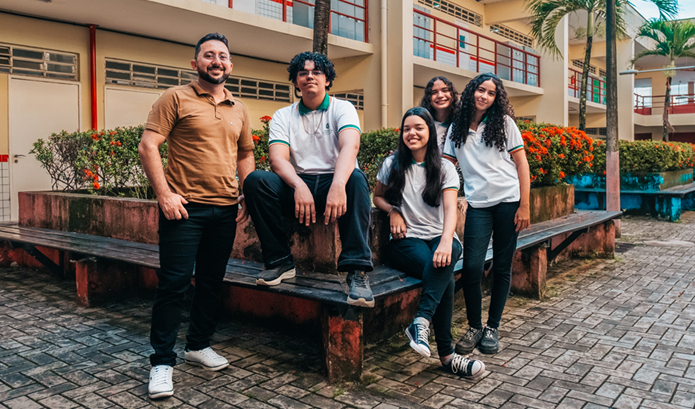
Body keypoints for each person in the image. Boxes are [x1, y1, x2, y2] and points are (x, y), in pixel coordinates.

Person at [138, 33, 255, 399]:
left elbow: (245, 155)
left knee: (210, 282)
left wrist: (248, 194)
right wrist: (164, 194)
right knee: (173, 285)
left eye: (222, 56)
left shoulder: (239, 108)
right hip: (183, 209)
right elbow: (148, 146)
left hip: (225, 210)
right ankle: (162, 362)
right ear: (195, 63)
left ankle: (198, 345)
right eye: (208, 55)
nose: (216, 61)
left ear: (230, 65)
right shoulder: (175, 98)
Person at [243, 51, 375, 307]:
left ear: (328, 79)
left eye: (317, 72)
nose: (310, 76)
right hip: (298, 186)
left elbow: (350, 147)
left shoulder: (343, 108)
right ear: (296, 81)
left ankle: (357, 271)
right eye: (303, 73)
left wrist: (338, 185)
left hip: (334, 183)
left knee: (356, 179)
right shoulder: (283, 115)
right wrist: (299, 186)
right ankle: (280, 262)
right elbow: (278, 159)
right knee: (255, 181)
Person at [373, 107, 485, 378]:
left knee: (446, 256)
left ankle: (421, 322)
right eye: (406, 129)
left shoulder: (445, 168)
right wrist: (394, 211)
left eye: (418, 128)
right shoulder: (392, 164)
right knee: (442, 273)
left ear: (430, 133)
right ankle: (447, 356)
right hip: (406, 240)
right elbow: (377, 197)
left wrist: (446, 241)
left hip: (439, 236)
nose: (412, 133)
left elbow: (451, 209)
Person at [443, 72, 530, 356]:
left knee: (502, 267)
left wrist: (525, 205)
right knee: (471, 267)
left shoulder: (504, 123)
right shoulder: (456, 127)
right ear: (471, 91)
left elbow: (522, 164)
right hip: (478, 205)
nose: (485, 96)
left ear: (496, 98)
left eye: (491, 93)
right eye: (481, 90)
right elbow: (446, 165)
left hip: (508, 202)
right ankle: (474, 326)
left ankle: (492, 327)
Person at [419, 76, 459, 153]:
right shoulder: (421, 123)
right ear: (428, 98)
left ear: (452, 94)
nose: (440, 95)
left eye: (445, 90)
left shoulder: (461, 124)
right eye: (434, 92)